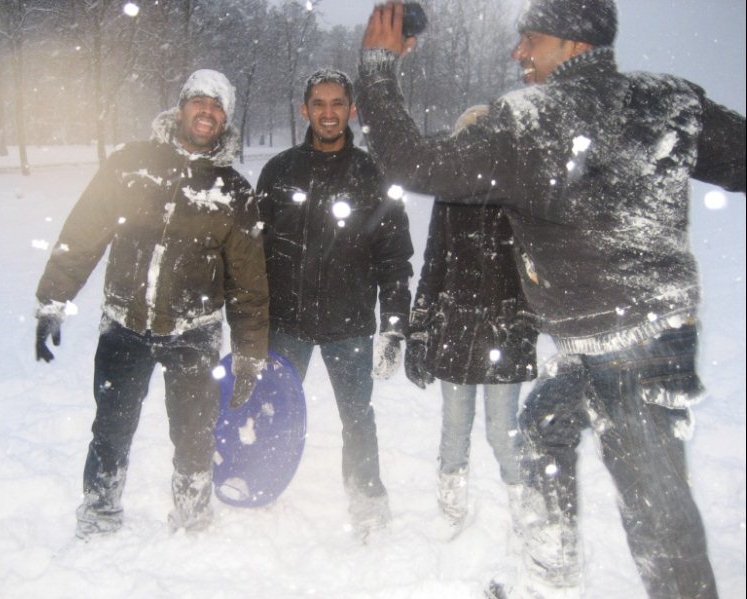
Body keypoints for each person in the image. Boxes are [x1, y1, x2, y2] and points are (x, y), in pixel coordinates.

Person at [357, 1, 745, 597]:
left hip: (631, 350)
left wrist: (379, 67)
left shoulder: (535, 120)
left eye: (532, 39)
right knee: (543, 425)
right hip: (620, 338)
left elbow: (415, 163)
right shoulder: (668, 101)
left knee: (657, 517)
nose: (519, 52)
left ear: (575, 44)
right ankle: (551, 572)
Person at [34, 69, 269, 538]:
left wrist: (248, 355)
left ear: (225, 120)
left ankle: (193, 518)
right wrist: (53, 299)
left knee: (194, 434)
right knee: (111, 427)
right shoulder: (130, 164)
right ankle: (99, 513)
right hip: (124, 325)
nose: (207, 112)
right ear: (180, 108)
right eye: (199, 101)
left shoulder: (234, 192)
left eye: (217, 106)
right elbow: (83, 233)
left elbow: (248, 284)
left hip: (195, 332)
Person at [256, 68, 414, 537]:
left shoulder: (373, 174)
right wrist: (250, 322)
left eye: (338, 104)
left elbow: (395, 256)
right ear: (304, 110)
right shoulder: (279, 171)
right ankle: (261, 483)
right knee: (272, 410)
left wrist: (394, 325)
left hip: (349, 323)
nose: (329, 113)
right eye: (319, 104)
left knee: (357, 418)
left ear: (352, 109)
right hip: (286, 322)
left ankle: (367, 499)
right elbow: (253, 252)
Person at [405, 105, 539, 533]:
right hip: (456, 329)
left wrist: (528, 320)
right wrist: (419, 329)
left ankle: (528, 511)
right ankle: (450, 510)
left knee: (502, 431)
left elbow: (537, 268)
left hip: (506, 329)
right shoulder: (450, 194)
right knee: (455, 429)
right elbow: (433, 263)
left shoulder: (520, 194)